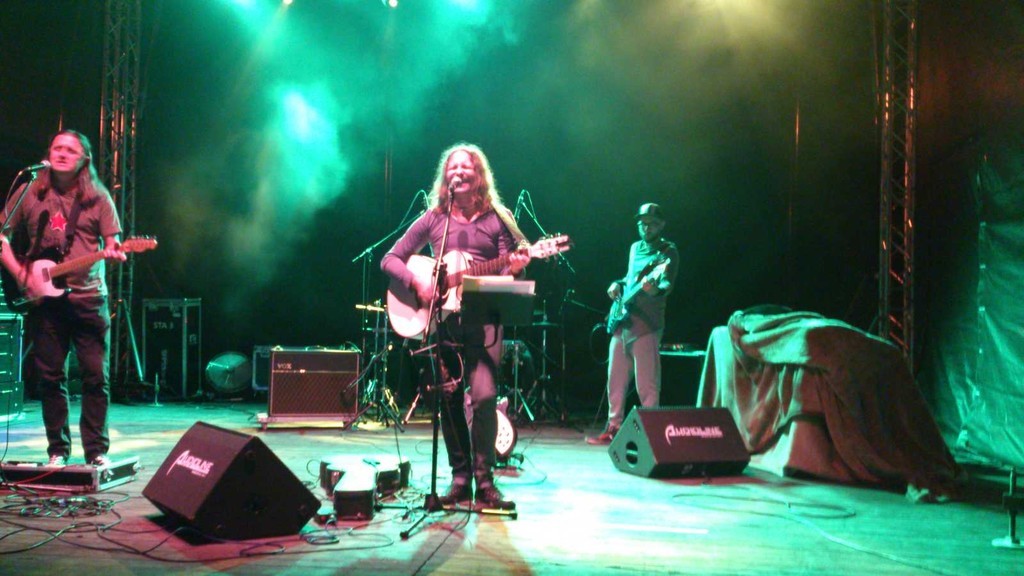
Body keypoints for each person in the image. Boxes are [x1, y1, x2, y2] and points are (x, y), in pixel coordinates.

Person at [381, 143, 530, 510]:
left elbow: (510, 268)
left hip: (485, 320)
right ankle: (460, 478)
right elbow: (391, 259)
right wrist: (418, 283)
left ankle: (485, 480)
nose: (458, 171)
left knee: (483, 398)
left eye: (466, 166)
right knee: (447, 400)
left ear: (479, 176)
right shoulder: (435, 218)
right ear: (445, 176)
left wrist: (515, 266)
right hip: (443, 322)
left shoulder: (498, 218)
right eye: (452, 167)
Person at [0, 130, 127, 467]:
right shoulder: (30, 190)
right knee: (50, 378)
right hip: (46, 301)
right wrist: (21, 274)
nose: (61, 153)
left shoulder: (98, 197)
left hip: (88, 298)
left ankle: (96, 452)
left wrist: (115, 251)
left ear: (84, 159)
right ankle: (57, 450)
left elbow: (113, 243)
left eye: (70, 150)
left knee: (95, 377)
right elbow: (2, 236)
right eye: (57, 147)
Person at [586, 202, 679, 445]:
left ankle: (651, 436)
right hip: (623, 322)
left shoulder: (668, 252)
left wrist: (654, 289)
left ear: (661, 225)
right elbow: (630, 280)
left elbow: (666, 285)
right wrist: (617, 284)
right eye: (642, 223)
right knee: (615, 380)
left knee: (646, 386)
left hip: (646, 326)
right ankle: (613, 428)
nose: (646, 228)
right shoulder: (635, 248)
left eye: (651, 224)